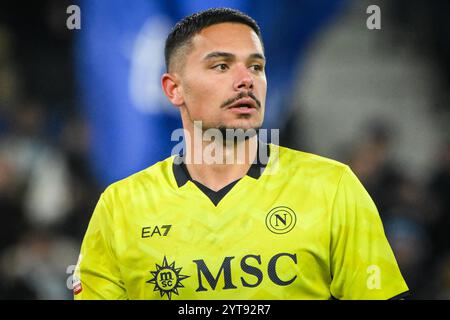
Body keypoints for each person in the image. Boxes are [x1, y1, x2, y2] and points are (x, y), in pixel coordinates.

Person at [74, 8, 409, 300]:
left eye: (256, 67)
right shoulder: (119, 207)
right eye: (221, 66)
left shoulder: (334, 189)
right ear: (174, 89)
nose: (245, 80)